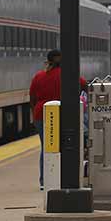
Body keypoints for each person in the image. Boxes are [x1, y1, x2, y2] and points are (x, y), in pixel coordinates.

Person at [29, 50, 87, 190]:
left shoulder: (39, 76)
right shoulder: (68, 75)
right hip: (63, 113)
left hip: (41, 113)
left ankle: (44, 180)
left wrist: (34, 112)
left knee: (46, 148)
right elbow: (85, 85)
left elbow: (32, 97)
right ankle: (63, 177)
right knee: (65, 146)